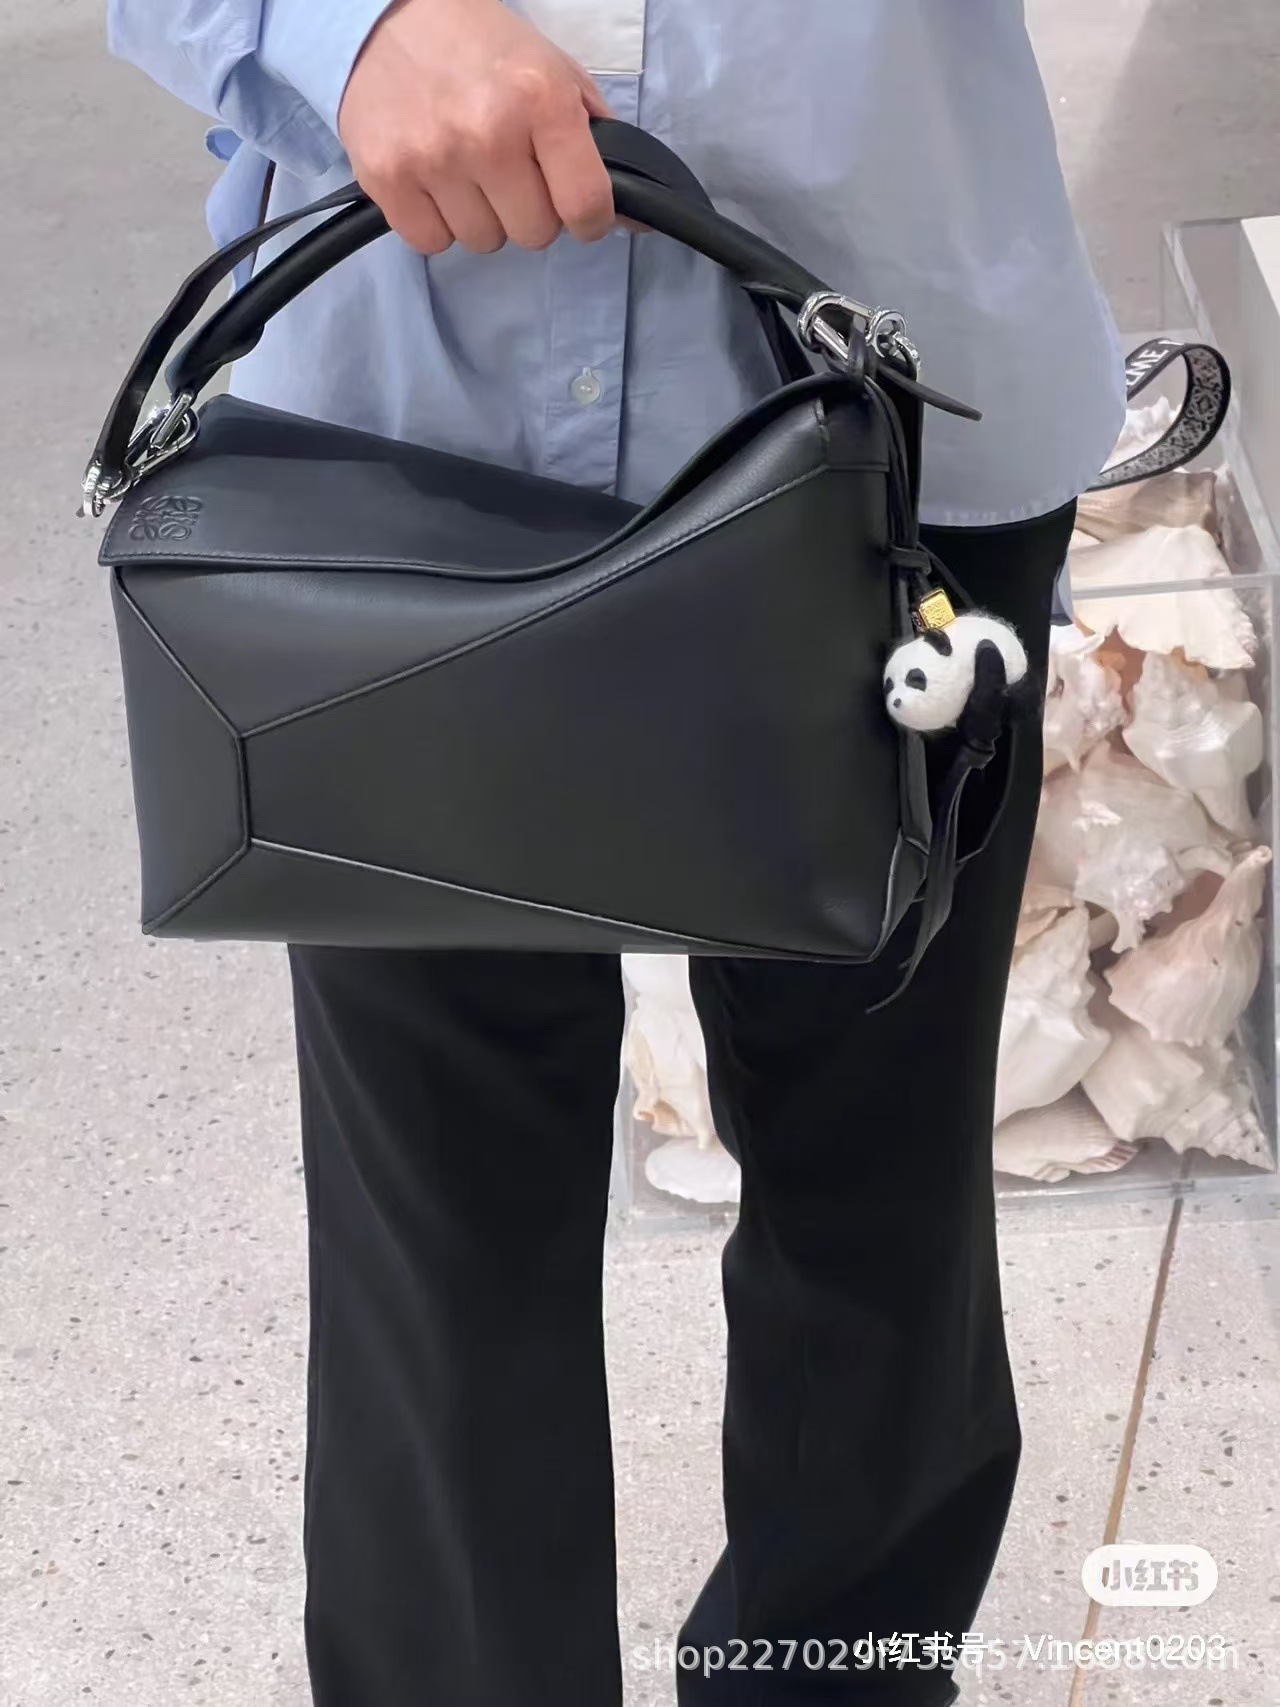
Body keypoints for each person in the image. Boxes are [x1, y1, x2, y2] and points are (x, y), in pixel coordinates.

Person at [106, 3, 1125, 1704]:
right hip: (398, 444)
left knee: (883, 1190)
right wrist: (339, 31)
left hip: (893, 415)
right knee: (438, 1223)